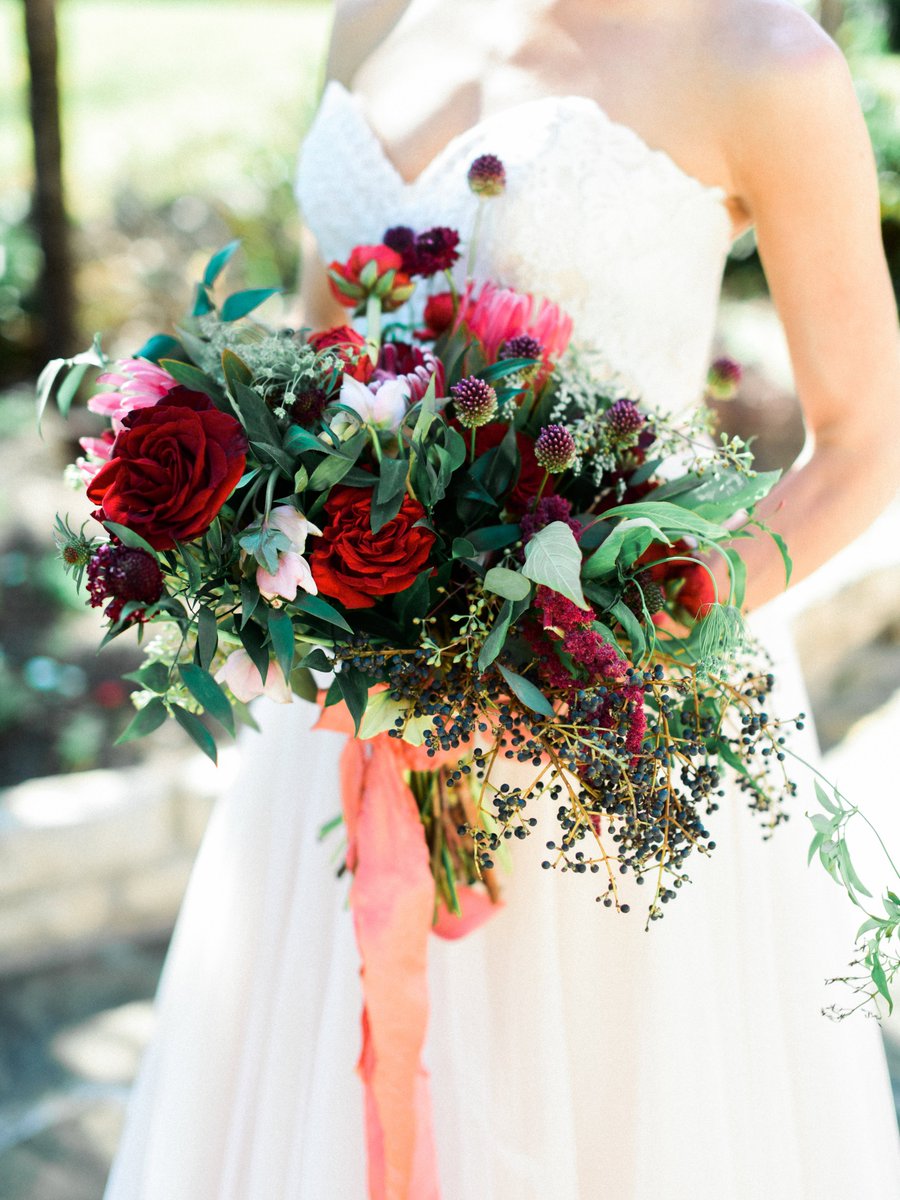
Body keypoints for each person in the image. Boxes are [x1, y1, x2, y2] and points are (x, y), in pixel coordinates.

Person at [104, 1, 900, 1197]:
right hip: (352, 704)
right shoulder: (371, 12)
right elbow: (330, 347)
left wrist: (617, 630)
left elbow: (863, 442)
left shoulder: (762, 57)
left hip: (611, 726)